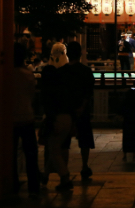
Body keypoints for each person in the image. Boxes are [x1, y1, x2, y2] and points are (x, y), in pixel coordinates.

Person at [58, 41, 95, 181]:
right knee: (84, 141)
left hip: (66, 110)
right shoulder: (85, 71)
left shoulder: (61, 72)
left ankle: (65, 170)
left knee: (64, 142)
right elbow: (88, 92)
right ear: (80, 54)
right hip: (82, 109)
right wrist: (82, 107)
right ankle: (84, 166)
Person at [41, 61, 74, 190]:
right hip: (67, 119)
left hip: (56, 120)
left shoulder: (47, 91)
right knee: (54, 149)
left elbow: (49, 109)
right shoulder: (62, 88)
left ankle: (65, 177)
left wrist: (50, 123)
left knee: (54, 151)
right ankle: (45, 175)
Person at [12, 43, 40, 198]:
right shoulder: (28, 74)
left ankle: (13, 181)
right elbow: (32, 95)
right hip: (27, 116)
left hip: (10, 117)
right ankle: (33, 185)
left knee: (11, 152)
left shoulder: (5, 74)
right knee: (31, 153)